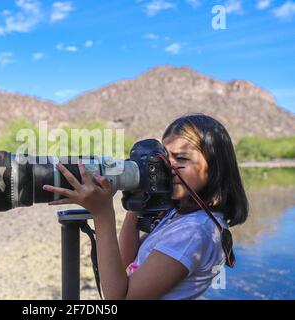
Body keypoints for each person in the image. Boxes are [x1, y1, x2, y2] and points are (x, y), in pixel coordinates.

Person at [43, 114, 248, 300]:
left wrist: (102, 214)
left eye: (182, 158)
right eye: (165, 159)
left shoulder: (194, 231)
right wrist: (139, 198)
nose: (169, 168)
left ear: (215, 168)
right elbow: (125, 260)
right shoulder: (181, 217)